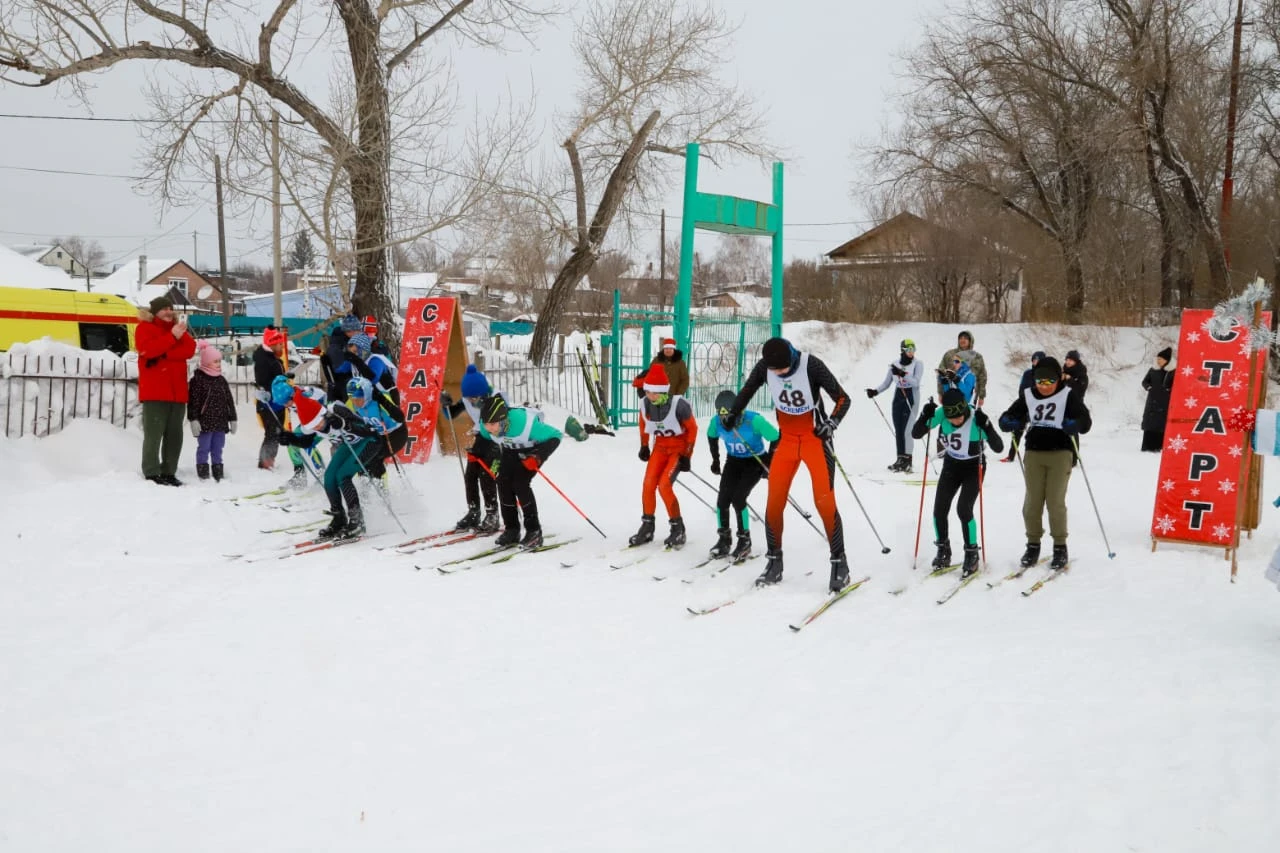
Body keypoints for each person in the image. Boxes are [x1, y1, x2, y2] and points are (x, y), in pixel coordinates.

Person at [721, 336, 852, 592]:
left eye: (782, 368)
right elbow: (747, 390)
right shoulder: (765, 367)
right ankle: (774, 562)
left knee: (824, 502)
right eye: (775, 370)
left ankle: (840, 563)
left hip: (815, 440)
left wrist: (831, 423)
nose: (779, 373)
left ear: (791, 358)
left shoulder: (811, 365)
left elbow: (843, 399)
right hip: (787, 441)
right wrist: (734, 413)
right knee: (774, 503)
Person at [998, 355, 1092, 571]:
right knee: (1032, 502)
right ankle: (1033, 544)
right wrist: (1007, 421)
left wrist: (1074, 424)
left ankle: (1060, 546)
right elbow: (1008, 415)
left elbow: (1085, 421)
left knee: (1055, 501)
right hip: (1034, 453)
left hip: (1060, 453)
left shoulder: (1067, 395)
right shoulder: (1029, 395)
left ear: (1058, 379)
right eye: (1040, 381)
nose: (1045, 386)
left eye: (1050, 381)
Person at [912, 389, 1003, 577]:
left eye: (959, 417)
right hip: (952, 465)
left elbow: (998, 447)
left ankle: (971, 553)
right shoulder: (942, 414)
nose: (955, 421)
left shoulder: (975, 418)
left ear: (964, 410)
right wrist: (924, 416)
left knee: (964, 509)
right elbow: (916, 433)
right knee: (939, 509)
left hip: (973, 466)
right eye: (951, 419)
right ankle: (943, 549)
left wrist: (987, 426)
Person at [317, 376, 405, 540]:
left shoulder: (377, 401)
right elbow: (347, 417)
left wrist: (382, 399)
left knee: (370, 464)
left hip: (395, 435)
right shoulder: (353, 405)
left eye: (359, 398)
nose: (356, 402)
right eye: (352, 398)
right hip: (368, 437)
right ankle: (346, 515)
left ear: (368, 394)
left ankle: (378, 502)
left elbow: (399, 417)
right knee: (341, 473)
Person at [479, 395, 563, 550]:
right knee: (503, 483)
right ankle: (512, 530)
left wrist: (538, 457)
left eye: (493, 424)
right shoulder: (486, 427)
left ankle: (534, 532)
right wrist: (478, 452)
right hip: (510, 450)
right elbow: (483, 438)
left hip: (531, 450)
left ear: (503, 419)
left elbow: (556, 435)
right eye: (486, 424)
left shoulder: (524, 424)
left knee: (520, 483)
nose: (489, 428)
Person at [628, 363, 698, 549]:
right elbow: (643, 424)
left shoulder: (678, 405)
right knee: (648, 484)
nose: (649, 396)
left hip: (677, 449)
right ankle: (647, 526)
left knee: (664, 485)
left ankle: (678, 528)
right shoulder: (646, 404)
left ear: (662, 391)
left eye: (653, 392)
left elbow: (692, 429)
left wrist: (687, 455)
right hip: (660, 448)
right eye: (647, 391)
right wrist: (644, 445)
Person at [706, 390, 778, 561]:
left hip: (754, 461)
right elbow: (711, 436)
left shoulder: (754, 420)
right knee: (722, 500)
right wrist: (715, 460)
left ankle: (744, 541)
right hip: (733, 461)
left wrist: (769, 461)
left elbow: (776, 437)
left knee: (738, 499)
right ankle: (724, 539)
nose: (725, 420)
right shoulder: (716, 422)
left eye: (729, 415)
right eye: (721, 415)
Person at [135, 295, 196, 485]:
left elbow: (190, 349)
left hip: (177, 393)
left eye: (170, 308)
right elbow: (148, 350)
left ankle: (169, 471)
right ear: (155, 312)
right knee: (154, 435)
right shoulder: (144, 328)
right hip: (155, 392)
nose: (169, 312)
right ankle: (152, 471)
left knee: (175, 437)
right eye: (164, 309)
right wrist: (172, 338)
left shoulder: (178, 328)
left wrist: (166, 352)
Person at [440, 364, 503, 532]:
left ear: (483, 393)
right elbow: (450, 414)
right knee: (470, 475)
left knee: (487, 475)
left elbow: (503, 426)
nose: (471, 402)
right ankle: (474, 512)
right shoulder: (468, 398)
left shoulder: (497, 398)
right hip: (481, 437)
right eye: (468, 398)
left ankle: (492, 514)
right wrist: (446, 405)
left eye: (474, 398)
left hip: (498, 440)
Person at [254, 326, 307, 486]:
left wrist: (284, 378)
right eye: (278, 344)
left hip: (277, 402)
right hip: (269, 402)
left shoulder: (271, 357)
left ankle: (269, 460)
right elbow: (265, 382)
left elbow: (275, 378)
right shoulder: (264, 360)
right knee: (272, 433)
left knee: (275, 432)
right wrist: (281, 383)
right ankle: (265, 463)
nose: (281, 347)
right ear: (271, 344)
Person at [867, 338, 924, 473]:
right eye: (909, 350)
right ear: (903, 350)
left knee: (907, 430)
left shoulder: (917, 364)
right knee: (898, 429)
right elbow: (886, 383)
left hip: (911, 396)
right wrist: (875, 391)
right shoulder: (895, 364)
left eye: (913, 350)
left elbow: (916, 382)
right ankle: (900, 459)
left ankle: (908, 460)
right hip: (898, 396)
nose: (912, 352)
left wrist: (902, 374)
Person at [187, 341, 237, 482]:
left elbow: (229, 400)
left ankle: (217, 469)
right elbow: (193, 402)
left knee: (218, 447)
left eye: (219, 361)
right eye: (215, 361)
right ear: (207, 362)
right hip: (205, 422)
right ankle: (203, 470)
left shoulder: (221, 380)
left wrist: (233, 418)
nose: (219, 364)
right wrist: (193, 419)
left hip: (220, 421)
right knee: (204, 447)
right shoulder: (198, 380)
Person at [1004, 351, 1045, 463]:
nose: (1035, 362)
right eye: (1034, 360)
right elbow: (1022, 388)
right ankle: (1011, 455)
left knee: (1034, 433)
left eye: (1038, 360)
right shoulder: (1027, 373)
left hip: (1038, 407)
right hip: (1024, 403)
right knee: (1018, 429)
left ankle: (1031, 456)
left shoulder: (1045, 375)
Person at [938, 330, 988, 405]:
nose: (962, 340)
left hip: (970, 397)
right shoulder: (949, 354)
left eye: (965, 338)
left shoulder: (977, 357)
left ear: (970, 341)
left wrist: (981, 396)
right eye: (960, 338)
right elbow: (941, 373)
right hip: (950, 395)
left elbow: (982, 377)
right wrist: (941, 393)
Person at [322, 315, 364, 403]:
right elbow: (339, 369)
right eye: (356, 330)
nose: (359, 333)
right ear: (348, 331)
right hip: (342, 389)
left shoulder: (351, 342)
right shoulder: (337, 346)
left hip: (348, 386)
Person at [1141, 347, 1175, 452]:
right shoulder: (1153, 370)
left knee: (1161, 425)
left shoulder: (1172, 371)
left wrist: (1169, 390)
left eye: (1160, 359)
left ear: (1166, 360)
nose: (1158, 361)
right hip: (1152, 401)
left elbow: (1176, 385)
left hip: (1165, 402)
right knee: (1150, 424)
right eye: (1158, 359)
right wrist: (1149, 388)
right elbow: (1145, 381)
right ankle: (1147, 446)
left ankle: (1159, 447)